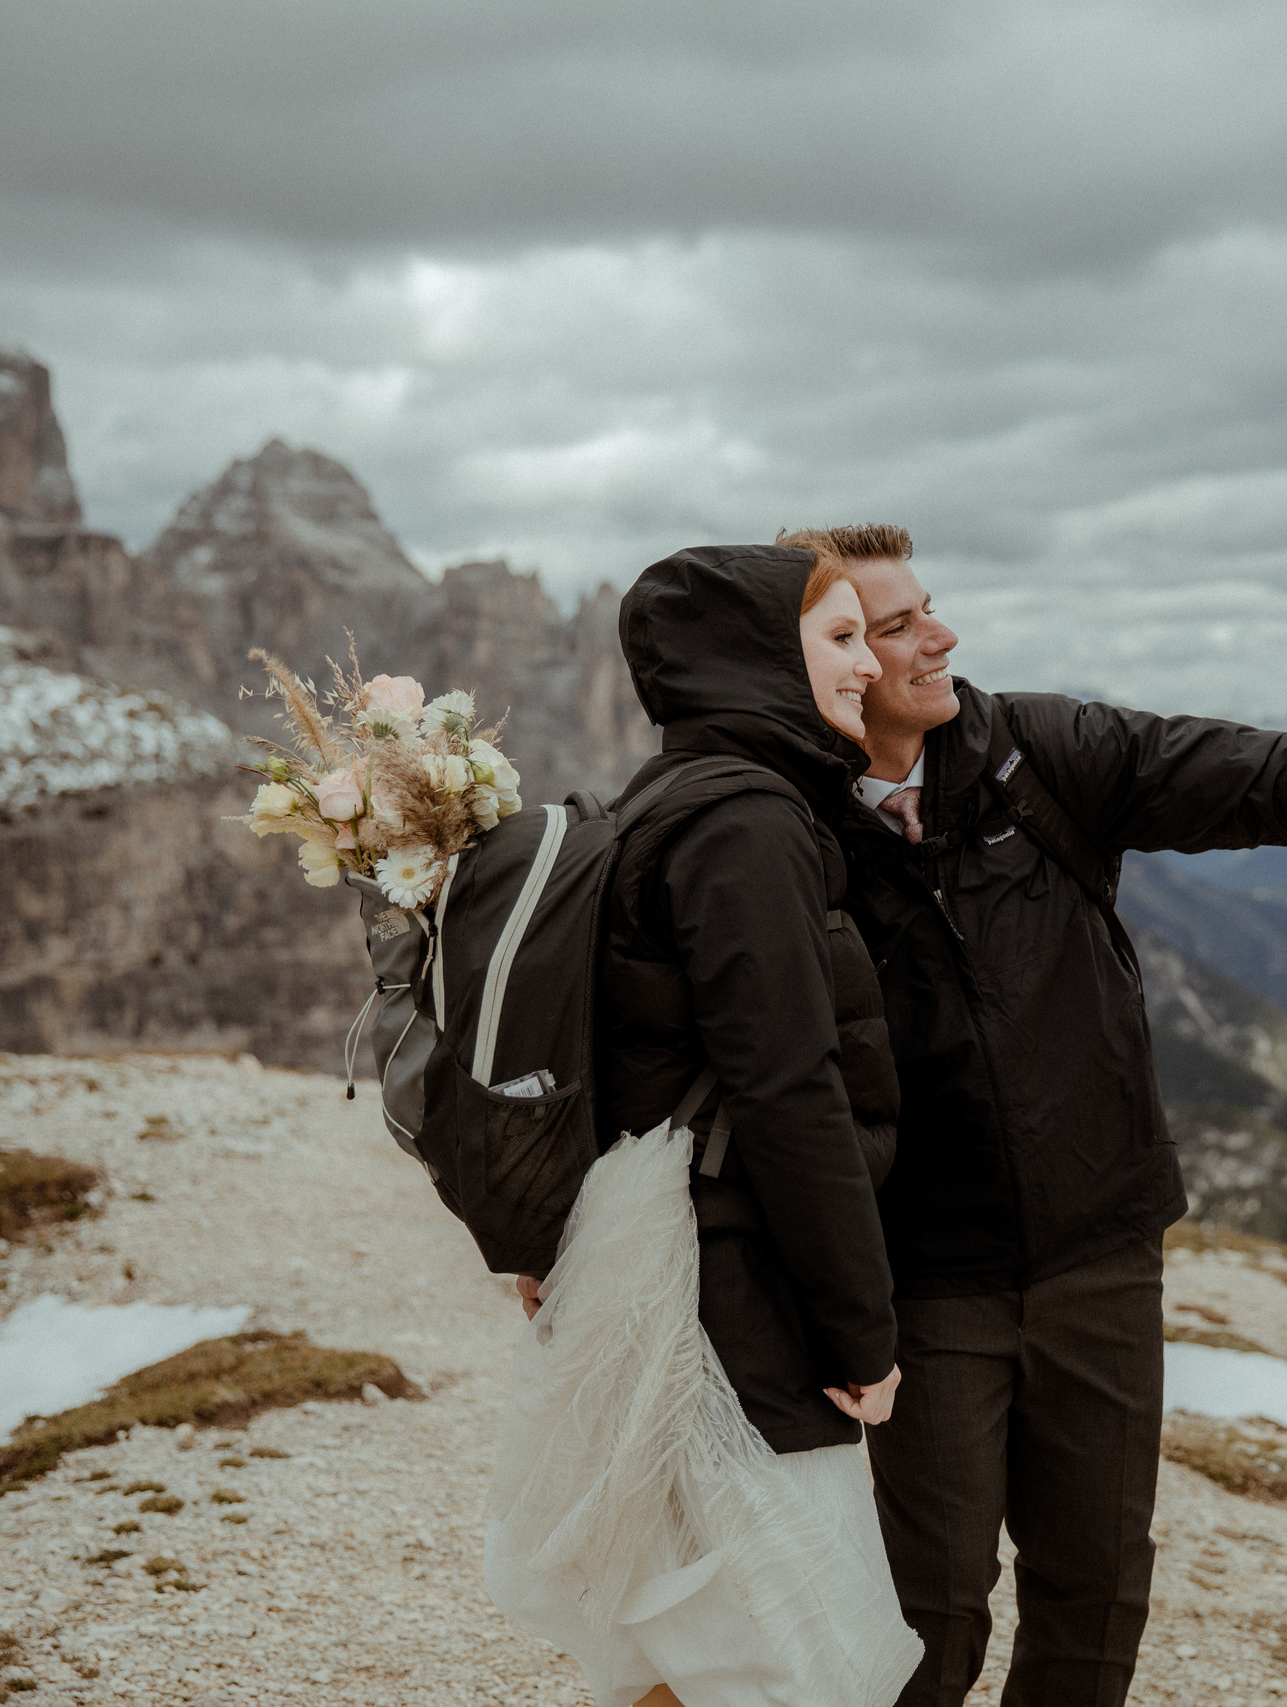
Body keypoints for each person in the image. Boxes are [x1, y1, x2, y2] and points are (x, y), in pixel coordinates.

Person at [787, 522, 1287, 1707]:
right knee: (930, 1606)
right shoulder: (783, 825)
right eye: (896, 625)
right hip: (926, 1275)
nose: (940, 637)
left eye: (929, 609)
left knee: (1095, 1584)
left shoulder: (1040, 751)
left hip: (1101, 1250)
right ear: (835, 657)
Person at [484, 542, 921, 1707]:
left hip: (669, 1264)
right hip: (731, 1289)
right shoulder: (746, 827)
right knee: (774, 1656)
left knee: (686, 1641)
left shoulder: (673, 798)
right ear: (756, 656)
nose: (867, 666)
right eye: (838, 638)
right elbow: (787, 1092)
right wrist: (861, 1334)